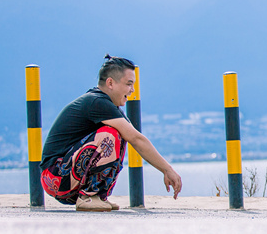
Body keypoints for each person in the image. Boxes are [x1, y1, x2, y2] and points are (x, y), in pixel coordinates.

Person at [40, 55, 182, 211]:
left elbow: (134, 137)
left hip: (64, 178)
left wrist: (166, 169)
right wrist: (167, 170)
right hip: (54, 176)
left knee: (120, 135)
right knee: (110, 134)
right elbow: (137, 139)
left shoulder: (107, 106)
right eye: (129, 84)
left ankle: (97, 196)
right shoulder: (97, 102)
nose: (132, 90)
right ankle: (88, 196)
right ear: (110, 83)